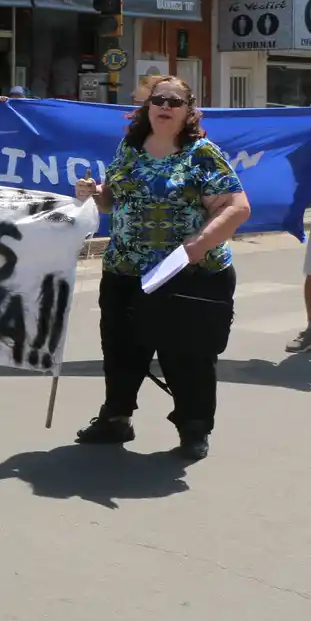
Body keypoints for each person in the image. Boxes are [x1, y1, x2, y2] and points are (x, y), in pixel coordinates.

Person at [74, 76, 251, 461]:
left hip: (189, 274)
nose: (166, 106)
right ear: (147, 107)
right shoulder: (130, 148)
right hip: (125, 271)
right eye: (159, 100)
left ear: (189, 111)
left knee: (188, 356)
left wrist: (196, 246)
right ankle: (116, 418)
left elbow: (237, 207)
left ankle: (193, 428)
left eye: (175, 101)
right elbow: (110, 201)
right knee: (121, 350)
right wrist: (95, 192)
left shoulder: (202, 154)